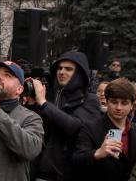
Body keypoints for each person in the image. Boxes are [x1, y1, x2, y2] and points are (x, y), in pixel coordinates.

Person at [25, 50, 102, 181]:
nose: (62, 72)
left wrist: (43, 103)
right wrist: (32, 103)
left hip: (68, 172)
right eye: (59, 68)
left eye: (68, 69)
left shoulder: (90, 100)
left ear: (79, 73)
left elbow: (75, 126)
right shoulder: (51, 95)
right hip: (41, 170)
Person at [73, 77, 136, 181]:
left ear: (132, 105)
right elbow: (76, 160)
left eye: (124, 103)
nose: (118, 107)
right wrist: (97, 154)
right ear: (107, 102)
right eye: (114, 102)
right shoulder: (90, 127)